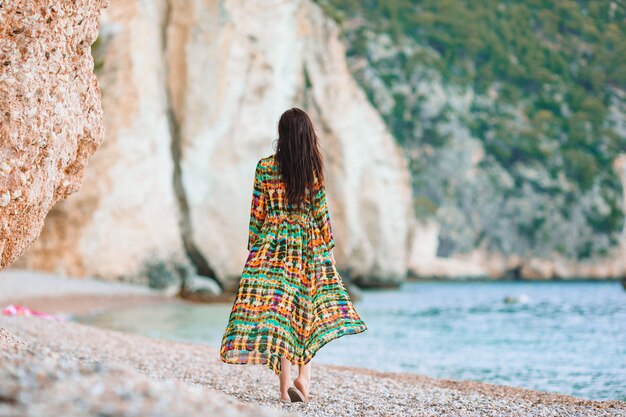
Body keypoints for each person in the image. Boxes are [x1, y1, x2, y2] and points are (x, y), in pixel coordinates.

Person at [219, 107, 367, 403]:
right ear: (307, 135)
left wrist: (254, 250)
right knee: (305, 311)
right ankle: (304, 378)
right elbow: (321, 213)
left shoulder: (264, 167)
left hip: (272, 246)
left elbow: (257, 213)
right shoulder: (312, 169)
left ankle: (285, 387)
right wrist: (329, 249)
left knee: (281, 314)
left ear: (282, 135)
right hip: (307, 245)